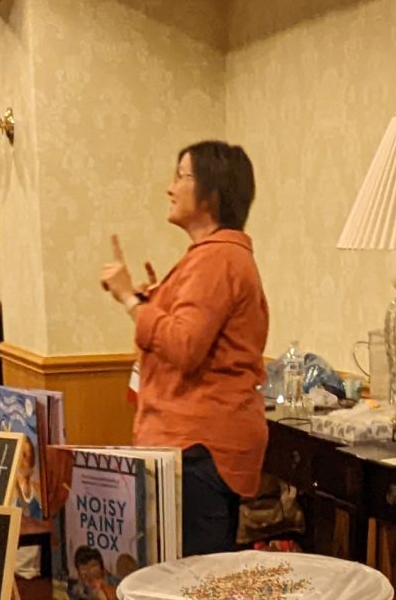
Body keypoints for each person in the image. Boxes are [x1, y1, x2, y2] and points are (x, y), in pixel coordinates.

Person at [99, 142, 269, 554]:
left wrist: (129, 299)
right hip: (197, 447)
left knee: (194, 581)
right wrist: (153, 300)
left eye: (181, 176)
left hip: (199, 449)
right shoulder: (216, 256)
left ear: (211, 192)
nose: (170, 188)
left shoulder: (217, 259)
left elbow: (184, 346)